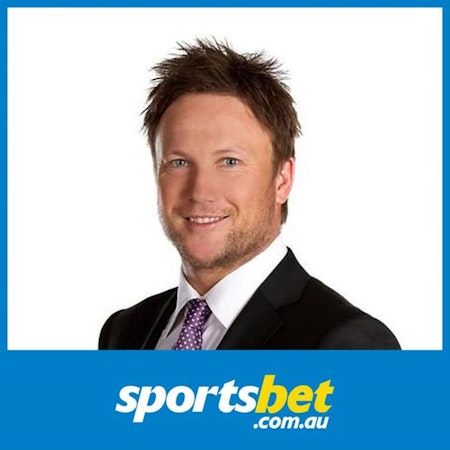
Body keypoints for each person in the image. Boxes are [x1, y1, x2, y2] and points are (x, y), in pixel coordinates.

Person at [99, 39, 401, 350]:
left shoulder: (349, 342)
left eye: (229, 162)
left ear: (282, 179)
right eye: (179, 162)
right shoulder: (124, 332)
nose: (200, 191)